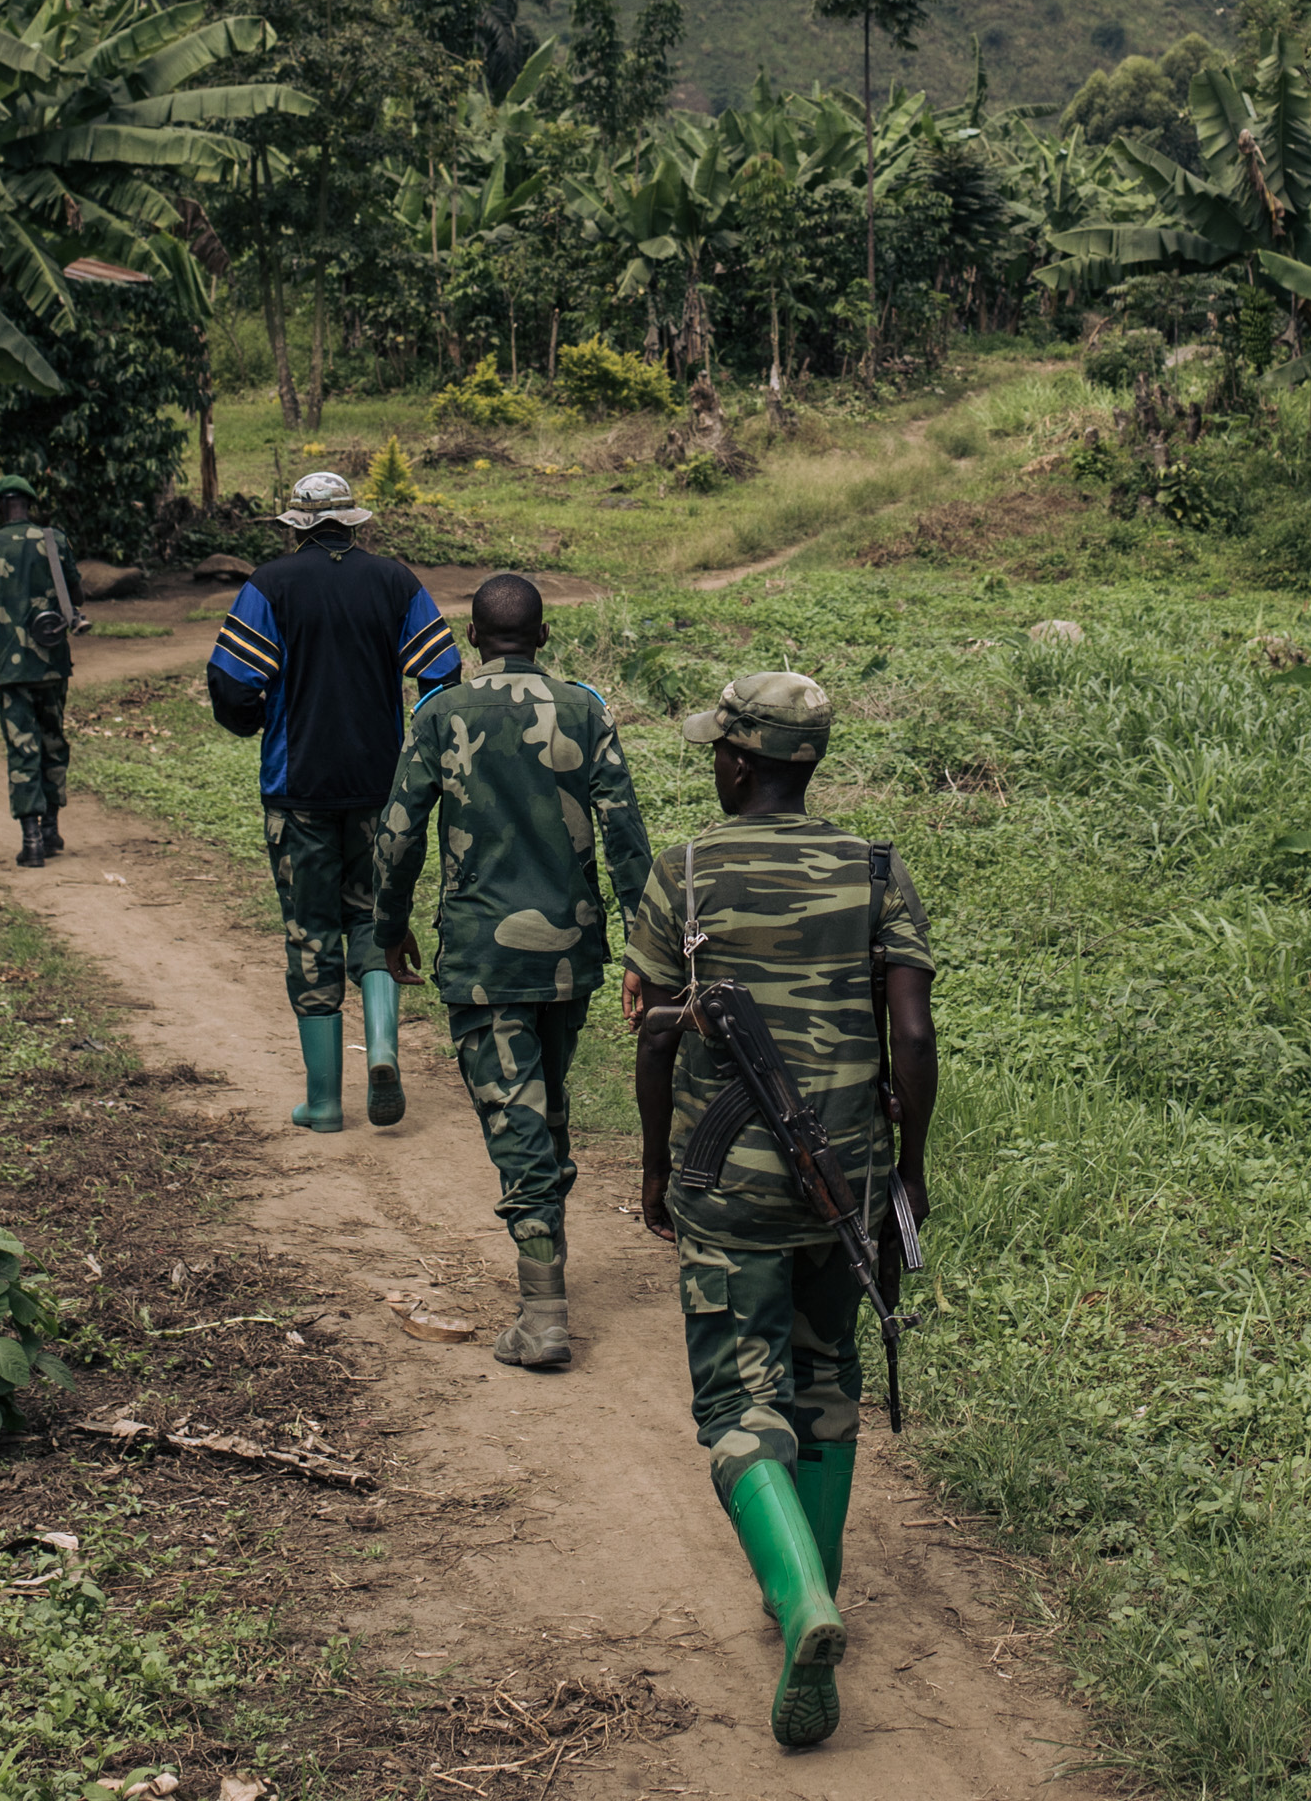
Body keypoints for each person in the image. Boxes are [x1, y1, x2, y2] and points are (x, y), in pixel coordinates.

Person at [623, 670, 934, 1755]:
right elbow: (914, 1036)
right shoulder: (877, 870)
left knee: (735, 1401)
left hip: (730, 1190)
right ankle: (817, 1582)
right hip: (844, 1179)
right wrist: (908, 1170)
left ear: (741, 762)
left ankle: (802, 1603)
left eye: (720, 746)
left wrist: (659, 1168)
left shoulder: (687, 871)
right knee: (825, 1376)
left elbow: (654, 1035)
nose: (715, 759)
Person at [369, 570, 648, 1372]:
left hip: (483, 955)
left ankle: (544, 1310)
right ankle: (546, 1264)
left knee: (515, 1115)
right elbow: (627, 836)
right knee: (545, 1104)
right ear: (543, 636)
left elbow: (396, 837)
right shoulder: (585, 708)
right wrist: (645, 945)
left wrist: (389, 932)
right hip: (571, 954)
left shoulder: (438, 714)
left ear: (470, 638)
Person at [208, 467, 460, 1133]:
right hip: (380, 791)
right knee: (374, 922)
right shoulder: (395, 581)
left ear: (294, 526)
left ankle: (323, 1103)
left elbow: (232, 686)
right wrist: (411, 745)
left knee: (311, 935)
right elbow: (441, 672)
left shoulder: (270, 585)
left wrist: (259, 721)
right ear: (355, 521)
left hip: (298, 793)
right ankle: (382, 1051)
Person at [0, 475, 86, 869]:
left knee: (22, 747)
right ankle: (51, 829)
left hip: (9, 668)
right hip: (52, 663)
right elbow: (76, 596)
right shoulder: (54, 542)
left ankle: (31, 839)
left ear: (1, 507)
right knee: (53, 740)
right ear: (30, 505)